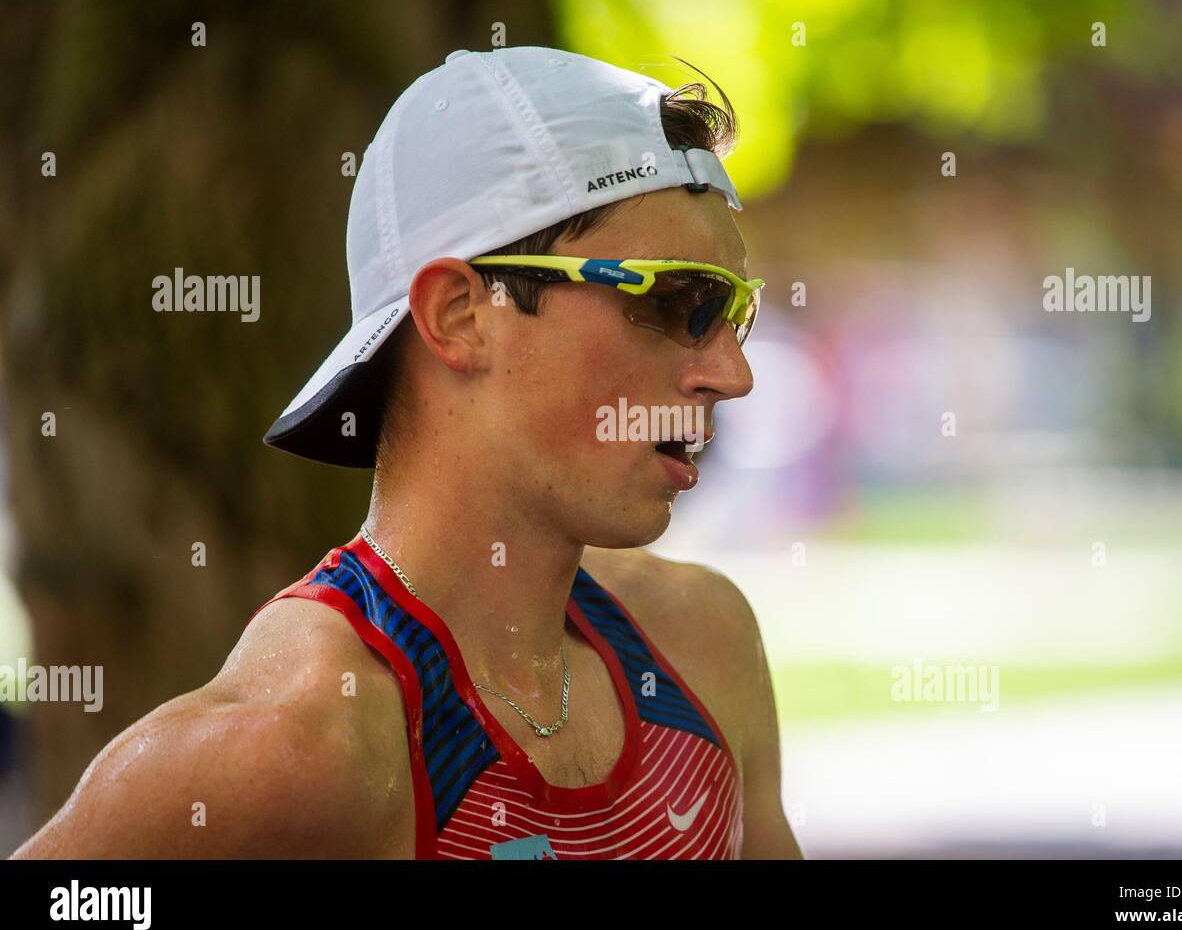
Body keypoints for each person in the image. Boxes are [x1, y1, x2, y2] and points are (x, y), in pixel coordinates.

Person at [11, 46, 801, 859]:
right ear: (460, 314)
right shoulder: (301, 741)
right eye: (677, 301)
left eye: (731, 311)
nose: (731, 375)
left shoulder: (703, 645)